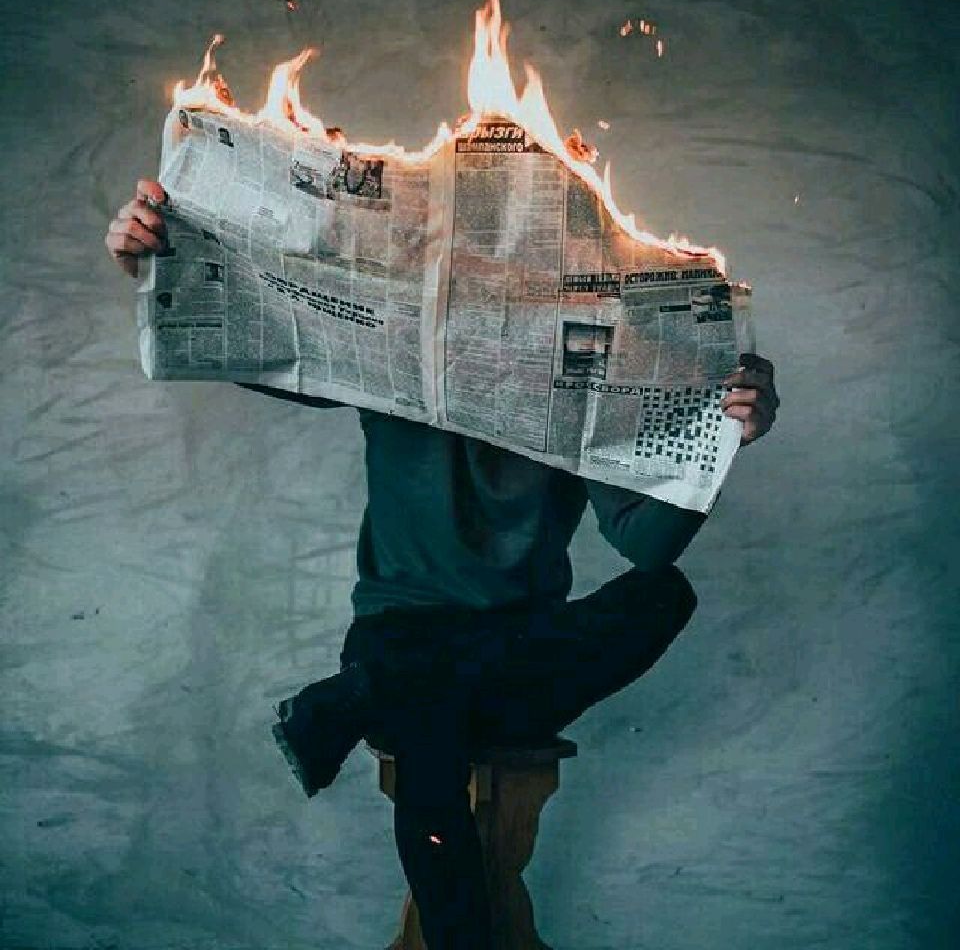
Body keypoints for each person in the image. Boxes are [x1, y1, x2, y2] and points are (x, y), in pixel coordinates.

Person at [106, 178, 780, 949]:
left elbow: (647, 546)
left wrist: (720, 442)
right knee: (429, 704)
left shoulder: (586, 377)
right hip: (404, 634)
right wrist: (157, 260)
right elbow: (251, 343)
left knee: (664, 595)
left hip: (520, 657)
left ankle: (360, 698)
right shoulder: (392, 348)